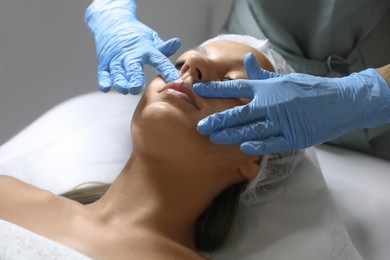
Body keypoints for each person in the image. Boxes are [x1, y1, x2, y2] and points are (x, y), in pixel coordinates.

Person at [0, 36, 302, 259]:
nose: (191, 65)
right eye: (179, 63)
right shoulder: (8, 196)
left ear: (253, 158)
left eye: (231, 83)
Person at [84, 0, 390, 157]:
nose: (188, 62)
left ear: (251, 166)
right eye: (199, 50)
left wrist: (366, 95)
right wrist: (110, 10)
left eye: (233, 78)